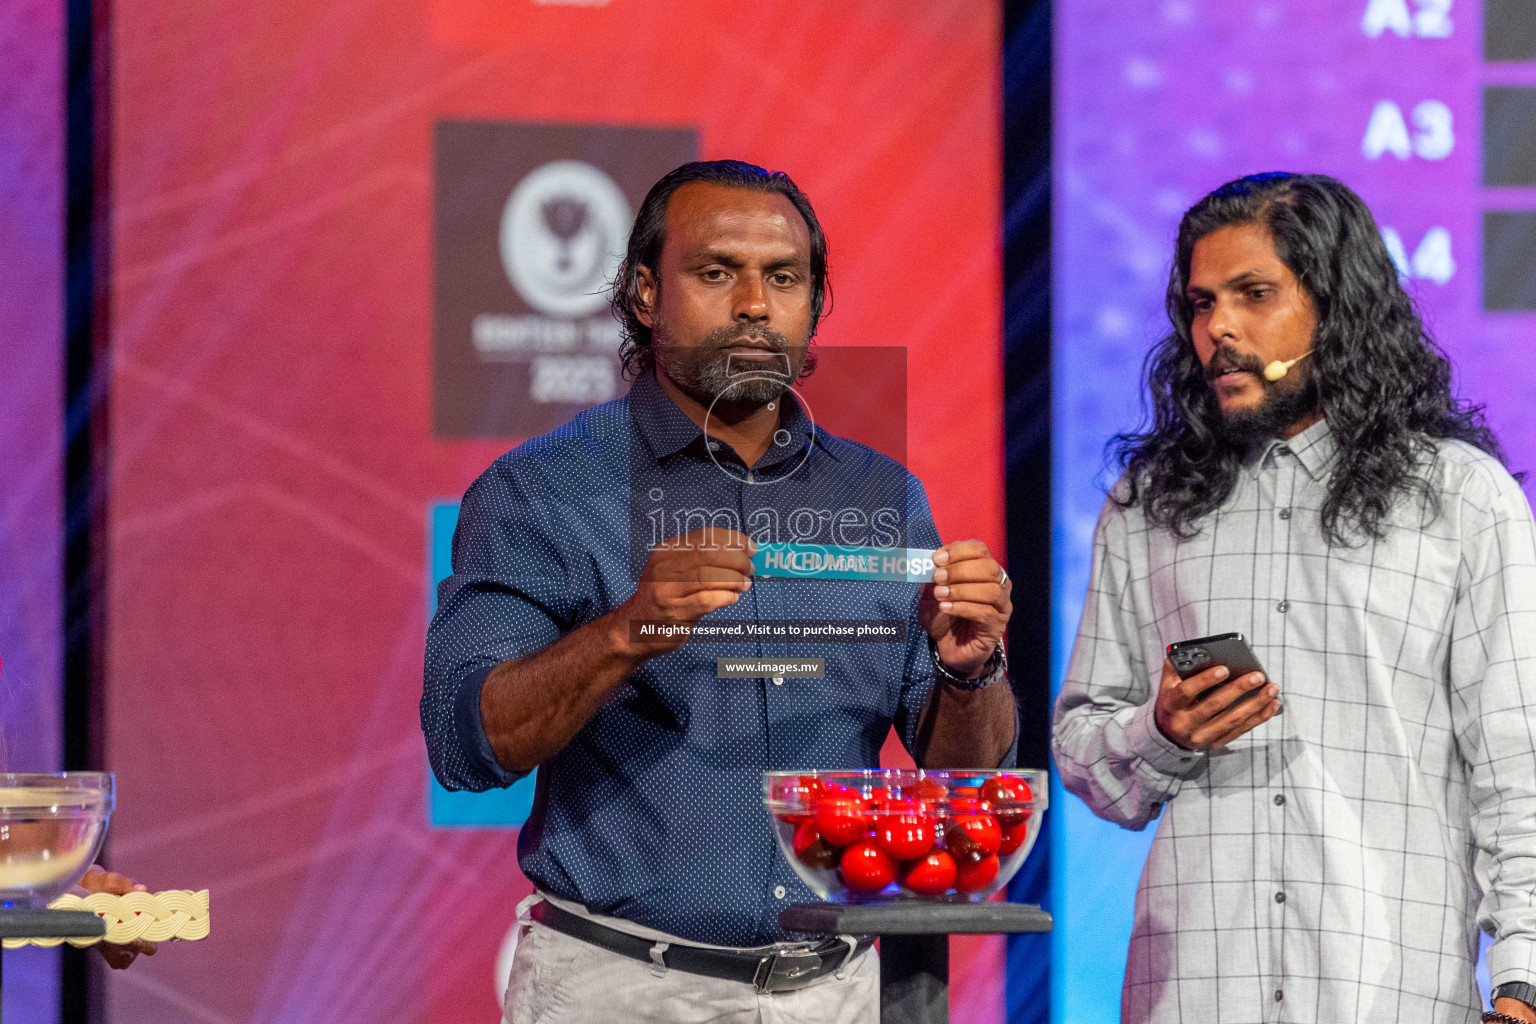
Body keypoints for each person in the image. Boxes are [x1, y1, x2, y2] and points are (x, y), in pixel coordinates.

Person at [423, 159, 1018, 1023]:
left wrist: (971, 669)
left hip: (839, 991)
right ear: (642, 294)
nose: (752, 304)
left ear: (815, 305)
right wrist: (628, 630)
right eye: (715, 272)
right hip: (622, 991)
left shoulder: (883, 497)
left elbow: (963, 775)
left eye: (783, 278)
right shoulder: (541, 493)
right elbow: (465, 742)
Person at [1053, 172, 1536, 1024]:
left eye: (1254, 295)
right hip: (1193, 993)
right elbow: (1087, 761)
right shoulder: (1148, 503)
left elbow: (1517, 767)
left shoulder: (1461, 499)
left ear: (1336, 306)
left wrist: (1522, 981)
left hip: (1391, 992)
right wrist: (1159, 732)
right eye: (1201, 305)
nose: (1220, 330)